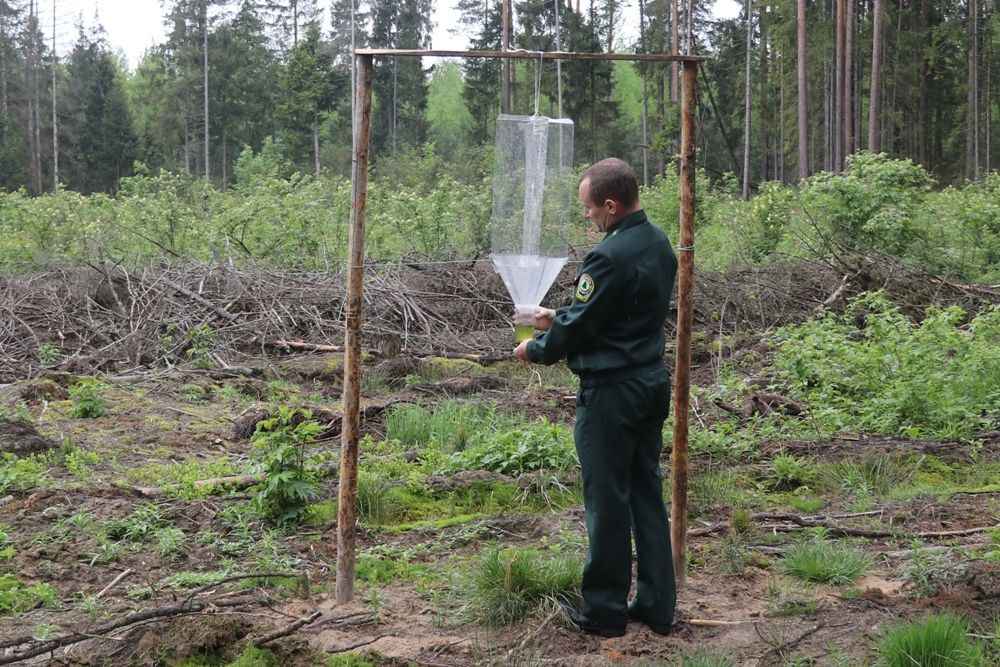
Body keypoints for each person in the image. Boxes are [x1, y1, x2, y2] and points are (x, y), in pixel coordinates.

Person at [513, 158, 678, 637]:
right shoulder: (658, 243)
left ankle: (604, 612)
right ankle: (656, 605)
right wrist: (557, 315)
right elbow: (613, 312)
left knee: (607, 501)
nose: (587, 217)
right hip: (649, 383)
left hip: (611, 394)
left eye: (589, 209)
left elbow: (584, 326)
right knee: (646, 492)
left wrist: (537, 347)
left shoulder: (608, 255)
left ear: (611, 204)